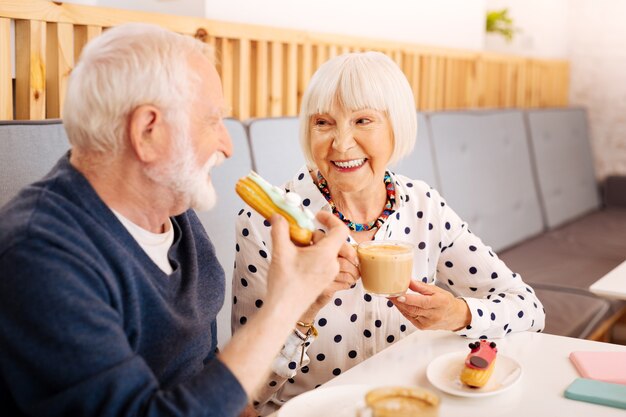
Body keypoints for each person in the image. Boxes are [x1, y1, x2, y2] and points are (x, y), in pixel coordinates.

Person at [0, 23, 352, 417]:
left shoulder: (175, 212)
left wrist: (303, 302)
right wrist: (286, 302)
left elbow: (206, 377)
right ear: (147, 131)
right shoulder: (39, 257)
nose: (227, 144)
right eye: (212, 121)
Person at [232, 51, 546, 415]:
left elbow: (528, 309)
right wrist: (302, 308)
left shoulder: (423, 206)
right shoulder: (267, 224)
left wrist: (458, 314)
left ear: (397, 127)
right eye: (323, 123)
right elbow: (242, 393)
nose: (342, 143)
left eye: (363, 120)